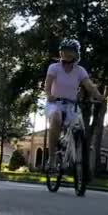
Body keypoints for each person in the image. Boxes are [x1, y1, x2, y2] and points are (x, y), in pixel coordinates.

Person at [44, 39, 103, 169]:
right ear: (60, 52)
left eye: (70, 51)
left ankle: (71, 153)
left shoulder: (80, 70)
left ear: (76, 54)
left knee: (78, 126)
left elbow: (89, 85)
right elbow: (47, 85)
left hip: (71, 105)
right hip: (55, 103)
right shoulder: (54, 68)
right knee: (56, 117)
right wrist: (49, 95)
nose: (66, 54)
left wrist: (98, 96)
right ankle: (52, 158)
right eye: (64, 51)